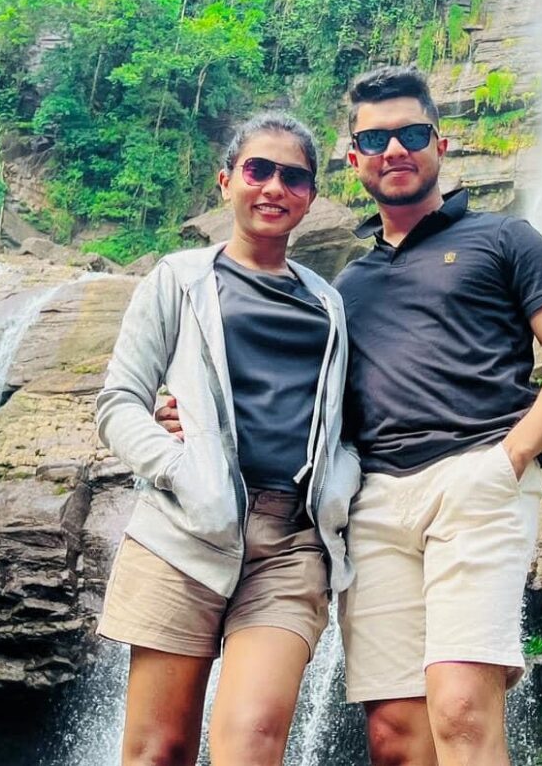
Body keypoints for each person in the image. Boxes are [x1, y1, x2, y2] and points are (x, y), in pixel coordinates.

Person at [332, 66, 542, 766]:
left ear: (441, 143)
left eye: (411, 133)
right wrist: (188, 411)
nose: (396, 149)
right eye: (376, 139)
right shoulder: (346, 285)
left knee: (460, 710)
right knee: (394, 736)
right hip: (374, 504)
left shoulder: (505, 238)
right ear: (354, 157)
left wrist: (508, 459)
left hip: (477, 481)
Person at [95, 112, 361, 766]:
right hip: (182, 530)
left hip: (291, 545)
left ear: (311, 196)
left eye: (293, 177)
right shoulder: (178, 279)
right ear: (227, 182)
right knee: (158, 749)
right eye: (258, 170)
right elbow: (120, 402)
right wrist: (178, 465)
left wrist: (337, 489)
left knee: (252, 740)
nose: (274, 187)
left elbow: (348, 428)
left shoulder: (329, 306)